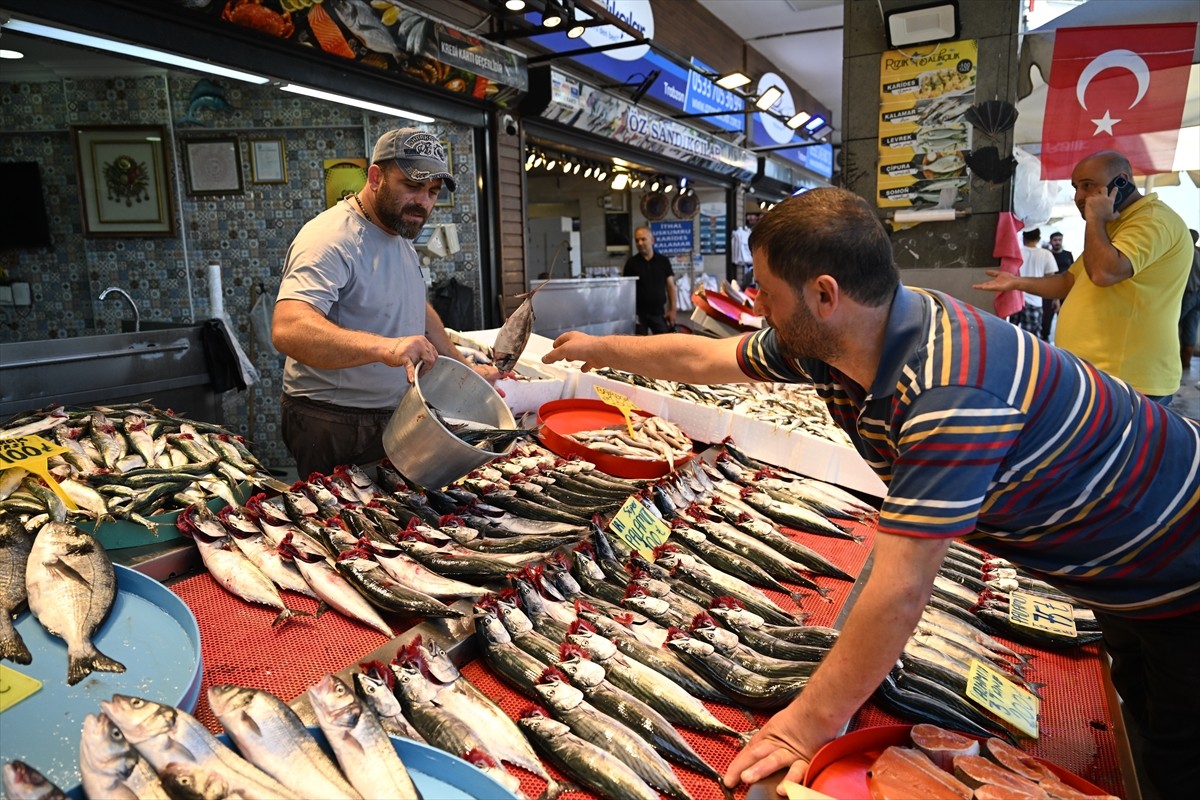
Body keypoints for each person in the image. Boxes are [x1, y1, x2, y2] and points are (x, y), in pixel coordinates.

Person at [543, 187, 1200, 799]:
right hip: (1116, 568)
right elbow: (706, 360)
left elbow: (902, 589)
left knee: (1178, 755)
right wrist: (600, 348)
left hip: (1180, 563)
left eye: (767, 291)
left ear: (824, 294)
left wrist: (808, 723)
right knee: (1139, 711)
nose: (755, 302)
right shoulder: (838, 341)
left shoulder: (950, 390)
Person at [272, 127, 499, 477]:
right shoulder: (330, 238)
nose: (423, 201)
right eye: (411, 186)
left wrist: (463, 369)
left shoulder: (398, 234)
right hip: (334, 420)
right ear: (376, 177)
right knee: (344, 526)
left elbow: (415, 308)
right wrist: (386, 348)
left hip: (392, 413)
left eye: (432, 191)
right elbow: (289, 329)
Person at [975, 150, 1193, 403]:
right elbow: (1070, 281)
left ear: (1121, 181)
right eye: (1076, 187)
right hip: (1097, 376)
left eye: (1088, 185)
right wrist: (1016, 282)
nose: (1079, 196)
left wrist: (1095, 220)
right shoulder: (1115, 227)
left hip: (1127, 381)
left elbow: (1104, 273)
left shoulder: (1152, 221)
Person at [624, 225, 676, 334]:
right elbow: (626, 290)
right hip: (638, 315)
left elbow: (671, 286)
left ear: (652, 240)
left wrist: (673, 310)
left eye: (643, 239)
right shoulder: (631, 263)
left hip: (658, 314)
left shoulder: (663, 261)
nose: (640, 243)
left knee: (664, 346)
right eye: (637, 240)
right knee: (638, 348)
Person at [1008, 228, 1056, 338]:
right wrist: (1055, 299)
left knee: (1011, 333)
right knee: (1031, 337)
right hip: (1035, 300)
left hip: (1015, 299)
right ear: (1039, 239)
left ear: (1023, 237)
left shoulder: (1016, 252)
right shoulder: (1046, 254)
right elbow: (1051, 279)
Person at [1042, 231, 1073, 341]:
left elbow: (1072, 270)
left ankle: (1066, 339)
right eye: (1055, 240)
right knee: (1047, 318)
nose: (1057, 242)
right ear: (1051, 241)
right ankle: (1045, 339)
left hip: (1066, 291)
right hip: (1050, 290)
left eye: (1059, 240)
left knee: (1065, 317)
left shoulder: (1068, 254)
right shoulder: (1047, 255)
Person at [1180, 229, 1200, 374]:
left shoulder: (1186, 252)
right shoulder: (1198, 253)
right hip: (1198, 296)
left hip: (1186, 295)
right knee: (1190, 331)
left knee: (1168, 326)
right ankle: (1185, 365)